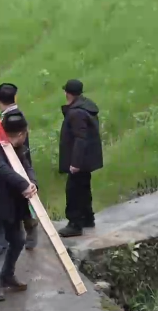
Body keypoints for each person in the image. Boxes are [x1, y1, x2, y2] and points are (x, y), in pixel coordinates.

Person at [0, 104, 37, 302]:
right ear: (21, 133)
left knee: (18, 240)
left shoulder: (19, 149)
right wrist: (23, 184)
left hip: (13, 207)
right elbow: (2, 169)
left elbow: (27, 168)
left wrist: (32, 184)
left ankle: (7, 276)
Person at [57, 79, 103, 238]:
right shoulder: (86, 106)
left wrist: (75, 163)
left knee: (73, 191)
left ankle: (75, 224)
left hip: (80, 161)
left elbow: (80, 138)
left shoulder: (76, 113)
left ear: (68, 93)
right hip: (87, 159)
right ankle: (87, 218)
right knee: (83, 189)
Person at [0, 83, 38, 250]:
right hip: (9, 163)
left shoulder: (14, 118)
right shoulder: (10, 116)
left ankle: (30, 229)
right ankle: (14, 234)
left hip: (19, 163)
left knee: (23, 200)